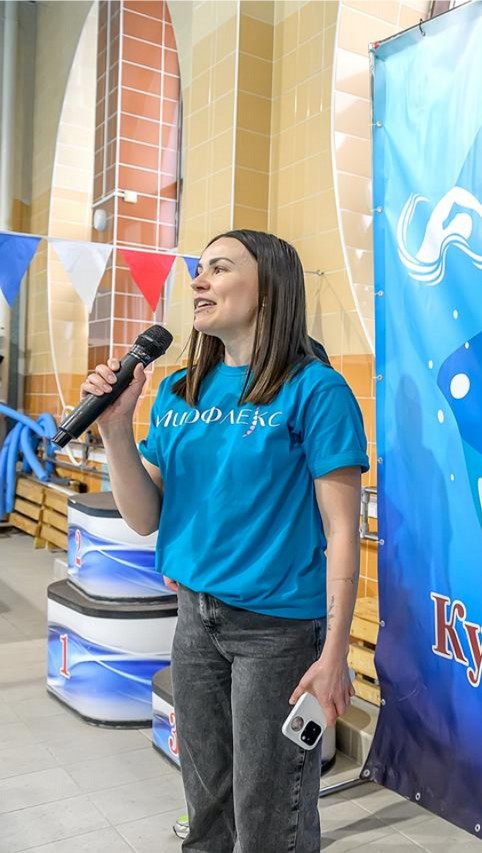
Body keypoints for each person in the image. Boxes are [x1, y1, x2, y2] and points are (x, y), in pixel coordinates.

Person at [81, 229, 368, 853]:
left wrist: (334, 653)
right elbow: (144, 517)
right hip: (194, 619)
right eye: (199, 268)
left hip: (277, 631)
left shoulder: (316, 390)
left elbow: (345, 530)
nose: (198, 280)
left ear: (269, 288)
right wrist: (115, 430)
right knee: (206, 807)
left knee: (269, 818)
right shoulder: (180, 389)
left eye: (220, 268)